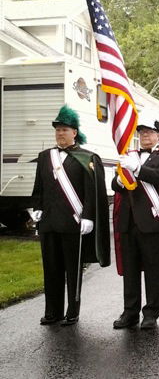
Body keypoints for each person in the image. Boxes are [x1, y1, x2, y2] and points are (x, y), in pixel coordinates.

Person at [31, 105, 109, 326]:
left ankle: (72, 312)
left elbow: (93, 192)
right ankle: (52, 312)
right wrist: (36, 206)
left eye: (64, 130)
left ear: (74, 132)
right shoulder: (45, 157)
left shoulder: (88, 158)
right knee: (51, 269)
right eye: (57, 130)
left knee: (73, 271)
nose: (60, 134)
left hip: (73, 223)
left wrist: (89, 216)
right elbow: (39, 187)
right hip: (49, 223)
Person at [112, 111, 159, 330]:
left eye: (149, 132)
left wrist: (138, 169)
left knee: (152, 269)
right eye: (142, 132)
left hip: (152, 221)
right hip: (129, 221)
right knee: (130, 270)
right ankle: (130, 312)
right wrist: (121, 179)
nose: (145, 136)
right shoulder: (130, 155)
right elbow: (115, 184)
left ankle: (151, 312)